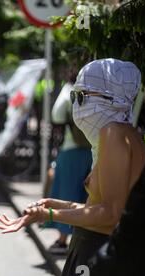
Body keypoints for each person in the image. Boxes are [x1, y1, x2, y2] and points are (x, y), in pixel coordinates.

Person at [0, 58, 145, 276]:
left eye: (83, 96)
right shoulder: (127, 133)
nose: (79, 105)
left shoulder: (114, 133)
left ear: (111, 95)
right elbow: (103, 207)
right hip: (97, 248)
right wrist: (55, 204)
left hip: (96, 251)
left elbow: (110, 214)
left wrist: (50, 215)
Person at [46, 74, 92, 255]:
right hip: (95, 148)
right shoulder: (99, 90)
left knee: (67, 194)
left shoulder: (70, 89)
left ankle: (62, 240)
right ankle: (81, 241)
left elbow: (56, 114)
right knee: (87, 196)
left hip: (72, 148)